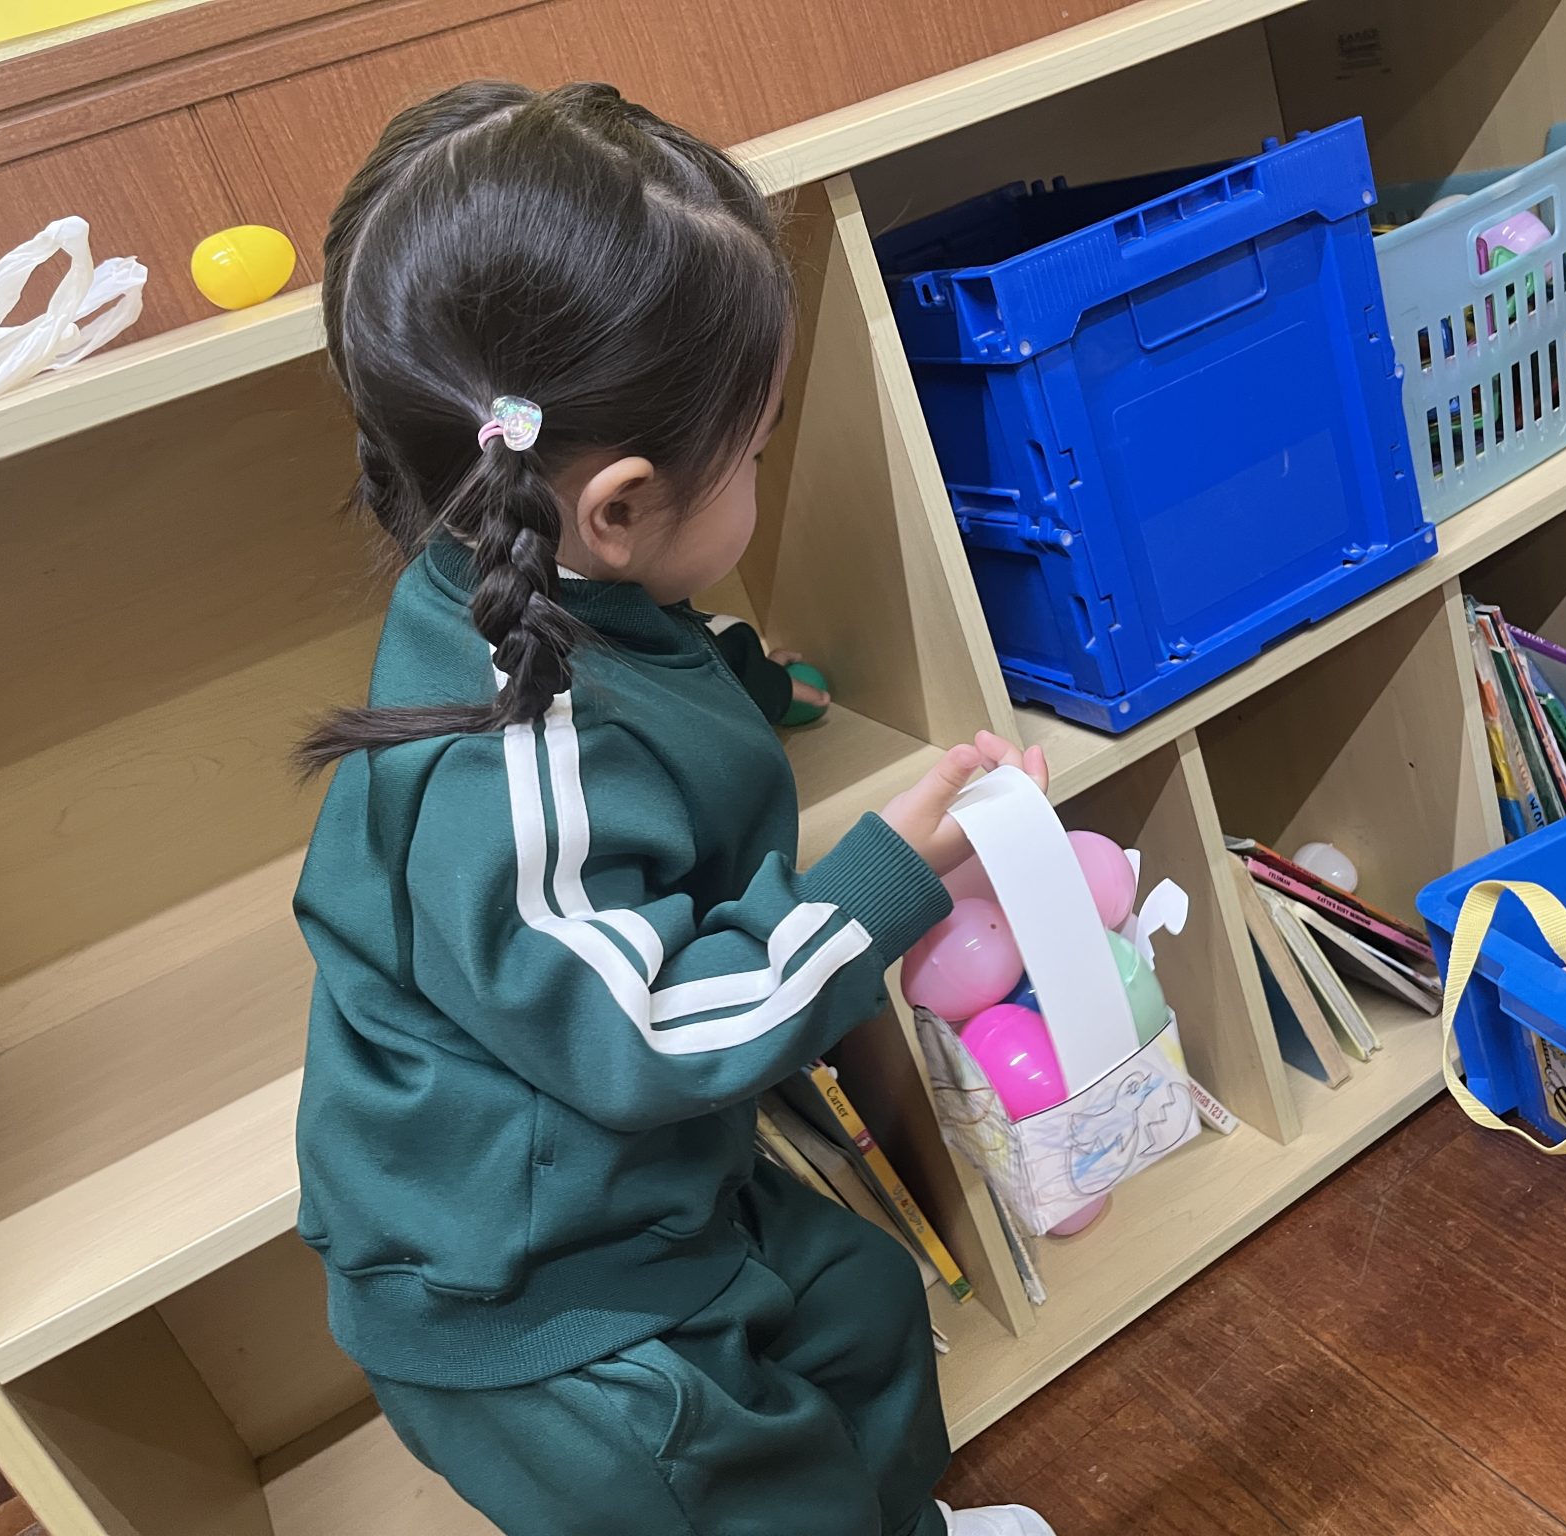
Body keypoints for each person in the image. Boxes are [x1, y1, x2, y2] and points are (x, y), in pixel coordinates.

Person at [291, 80, 1053, 1536]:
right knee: (745, 1498)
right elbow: (648, 1029)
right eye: (755, 452)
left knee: (863, 1305)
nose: (759, 466)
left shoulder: (531, 568)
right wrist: (880, 884)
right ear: (622, 507)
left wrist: (752, 686)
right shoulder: (507, 766)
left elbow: (647, 658)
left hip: (635, 1182)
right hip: (537, 1291)